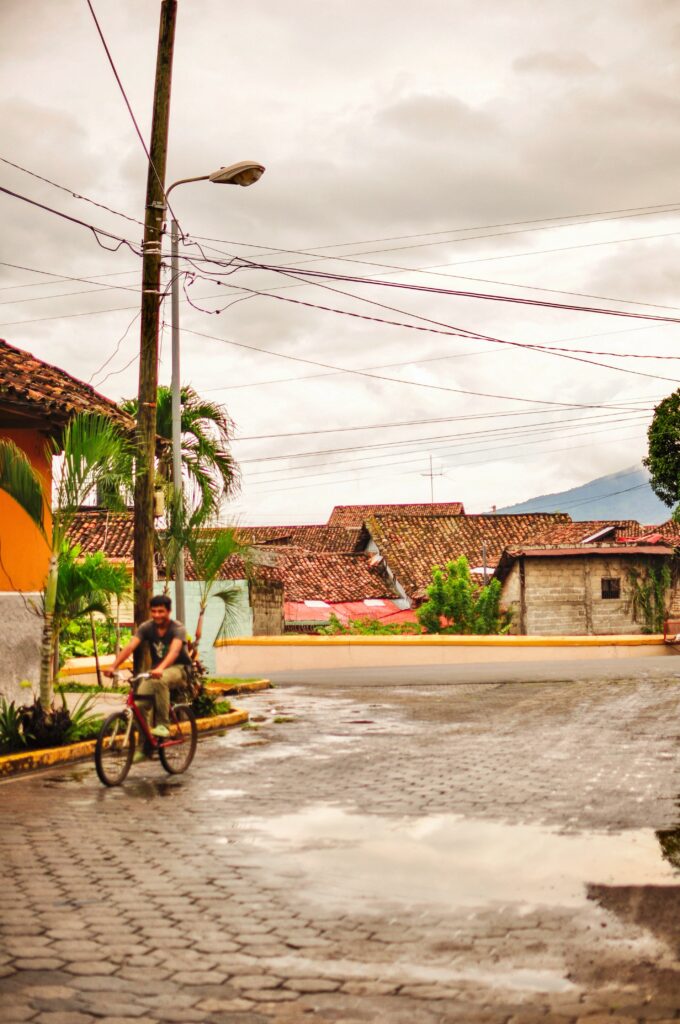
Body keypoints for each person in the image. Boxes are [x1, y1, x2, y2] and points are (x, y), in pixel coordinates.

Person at [105, 594, 193, 741]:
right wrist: (113, 666)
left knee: (160, 680)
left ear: (168, 612)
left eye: (161, 611)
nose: (157, 615)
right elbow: (130, 646)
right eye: (154, 611)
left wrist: (161, 668)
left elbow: (174, 651)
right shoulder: (147, 627)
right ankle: (146, 745)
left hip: (179, 669)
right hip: (156, 672)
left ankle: (163, 725)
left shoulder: (177, 628)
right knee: (138, 704)